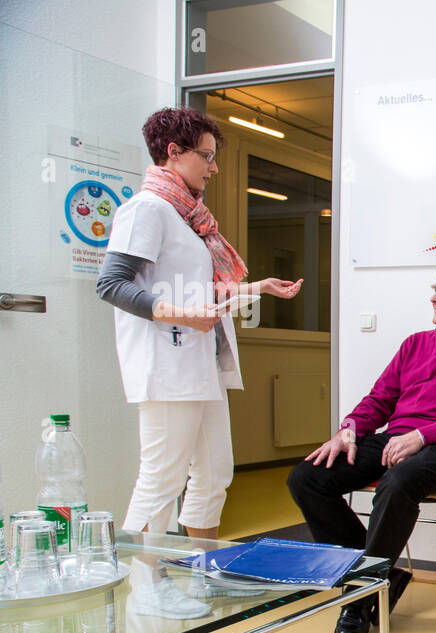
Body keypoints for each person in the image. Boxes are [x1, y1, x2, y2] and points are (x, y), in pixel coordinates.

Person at [97, 106, 302, 541]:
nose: (213, 168)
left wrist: (257, 288)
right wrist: (184, 316)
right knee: (160, 481)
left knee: (213, 474)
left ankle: (201, 572)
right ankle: (142, 589)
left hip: (199, 365)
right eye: (206, 157)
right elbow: (111, 285)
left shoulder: (188, 218)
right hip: (167, 365)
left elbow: (194, 291)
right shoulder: (146, 210)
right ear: (174, 152)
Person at [288, 264, 436, 633]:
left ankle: (360, 597)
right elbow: (380, 399)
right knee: (308, 477)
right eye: (434, 289)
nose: (434, 296)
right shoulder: (415, 344)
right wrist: (349, 430)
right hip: (398, 439)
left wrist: (422, 435)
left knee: (399, 482)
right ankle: (381, 572)